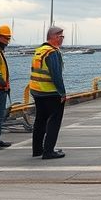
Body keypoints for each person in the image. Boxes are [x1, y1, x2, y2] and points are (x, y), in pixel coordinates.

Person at [29, 25, 67, 159]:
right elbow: (56, 74)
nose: (63, 39)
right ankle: (49, 150)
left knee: (40, 120)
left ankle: (37, 149)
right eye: (61, 36)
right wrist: (62, 93)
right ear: (55, 37)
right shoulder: (52, 52)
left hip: (37, 91)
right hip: (50, 92)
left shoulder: (39, 51)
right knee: (54, 121)